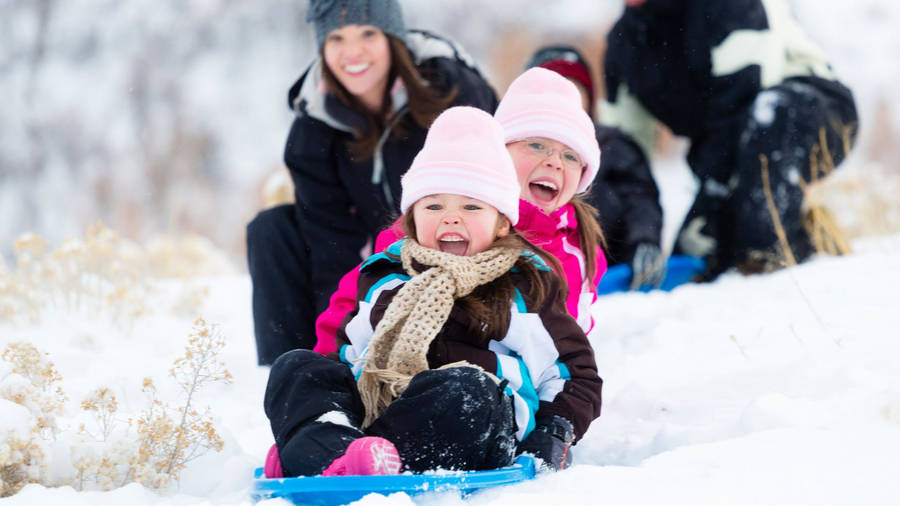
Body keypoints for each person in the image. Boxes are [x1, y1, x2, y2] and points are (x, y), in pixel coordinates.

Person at [263, 107, 603, 477]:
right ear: (412, 218)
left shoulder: (526, 285)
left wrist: (554, 431)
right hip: (379, 410)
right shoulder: (384, 276)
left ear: (503, 222)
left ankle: (331, 456)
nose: (451, 217)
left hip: (477, 426)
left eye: (471, 206)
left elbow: (574, 375)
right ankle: (332, 449)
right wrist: (322, 398)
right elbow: (349, 354)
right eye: (434, 205)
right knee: (298, 366)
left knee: (468, 389)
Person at [246, 0, 498, 365]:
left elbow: (495, 188)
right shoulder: (314, 124)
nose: (352, 52)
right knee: (272, 229)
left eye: (367, 33)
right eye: (336, 38)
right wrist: (338, 341)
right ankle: (294, 369)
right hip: (372, 247)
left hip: (457, 240)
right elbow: (329, 240)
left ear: (392, 36)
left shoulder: (452, 90)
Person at [314, 67, 608, 354]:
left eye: (570, 155)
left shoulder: (581, 249)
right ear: (500, 153)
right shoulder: (441, 218)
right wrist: (329, 363)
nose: (555, 162)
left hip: (506, 382)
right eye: (536, 145)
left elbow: (570, 343)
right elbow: (356, 298)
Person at [602, 0, 858, 279]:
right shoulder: (623, 46)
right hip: (725, 148)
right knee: (697, 255)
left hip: (810, 112)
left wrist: (709, 201)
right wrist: (635, 238)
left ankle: (793, 263)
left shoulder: (729, 5)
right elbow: (624, 157)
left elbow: (743, 98)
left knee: (756, 238)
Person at [526, 44, 665, 289]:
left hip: (607, 266)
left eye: (574, 91)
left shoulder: (612, 144)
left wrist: (645, 239)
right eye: (554, 93)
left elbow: (639, 196)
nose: (565, 102)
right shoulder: (514, 148)